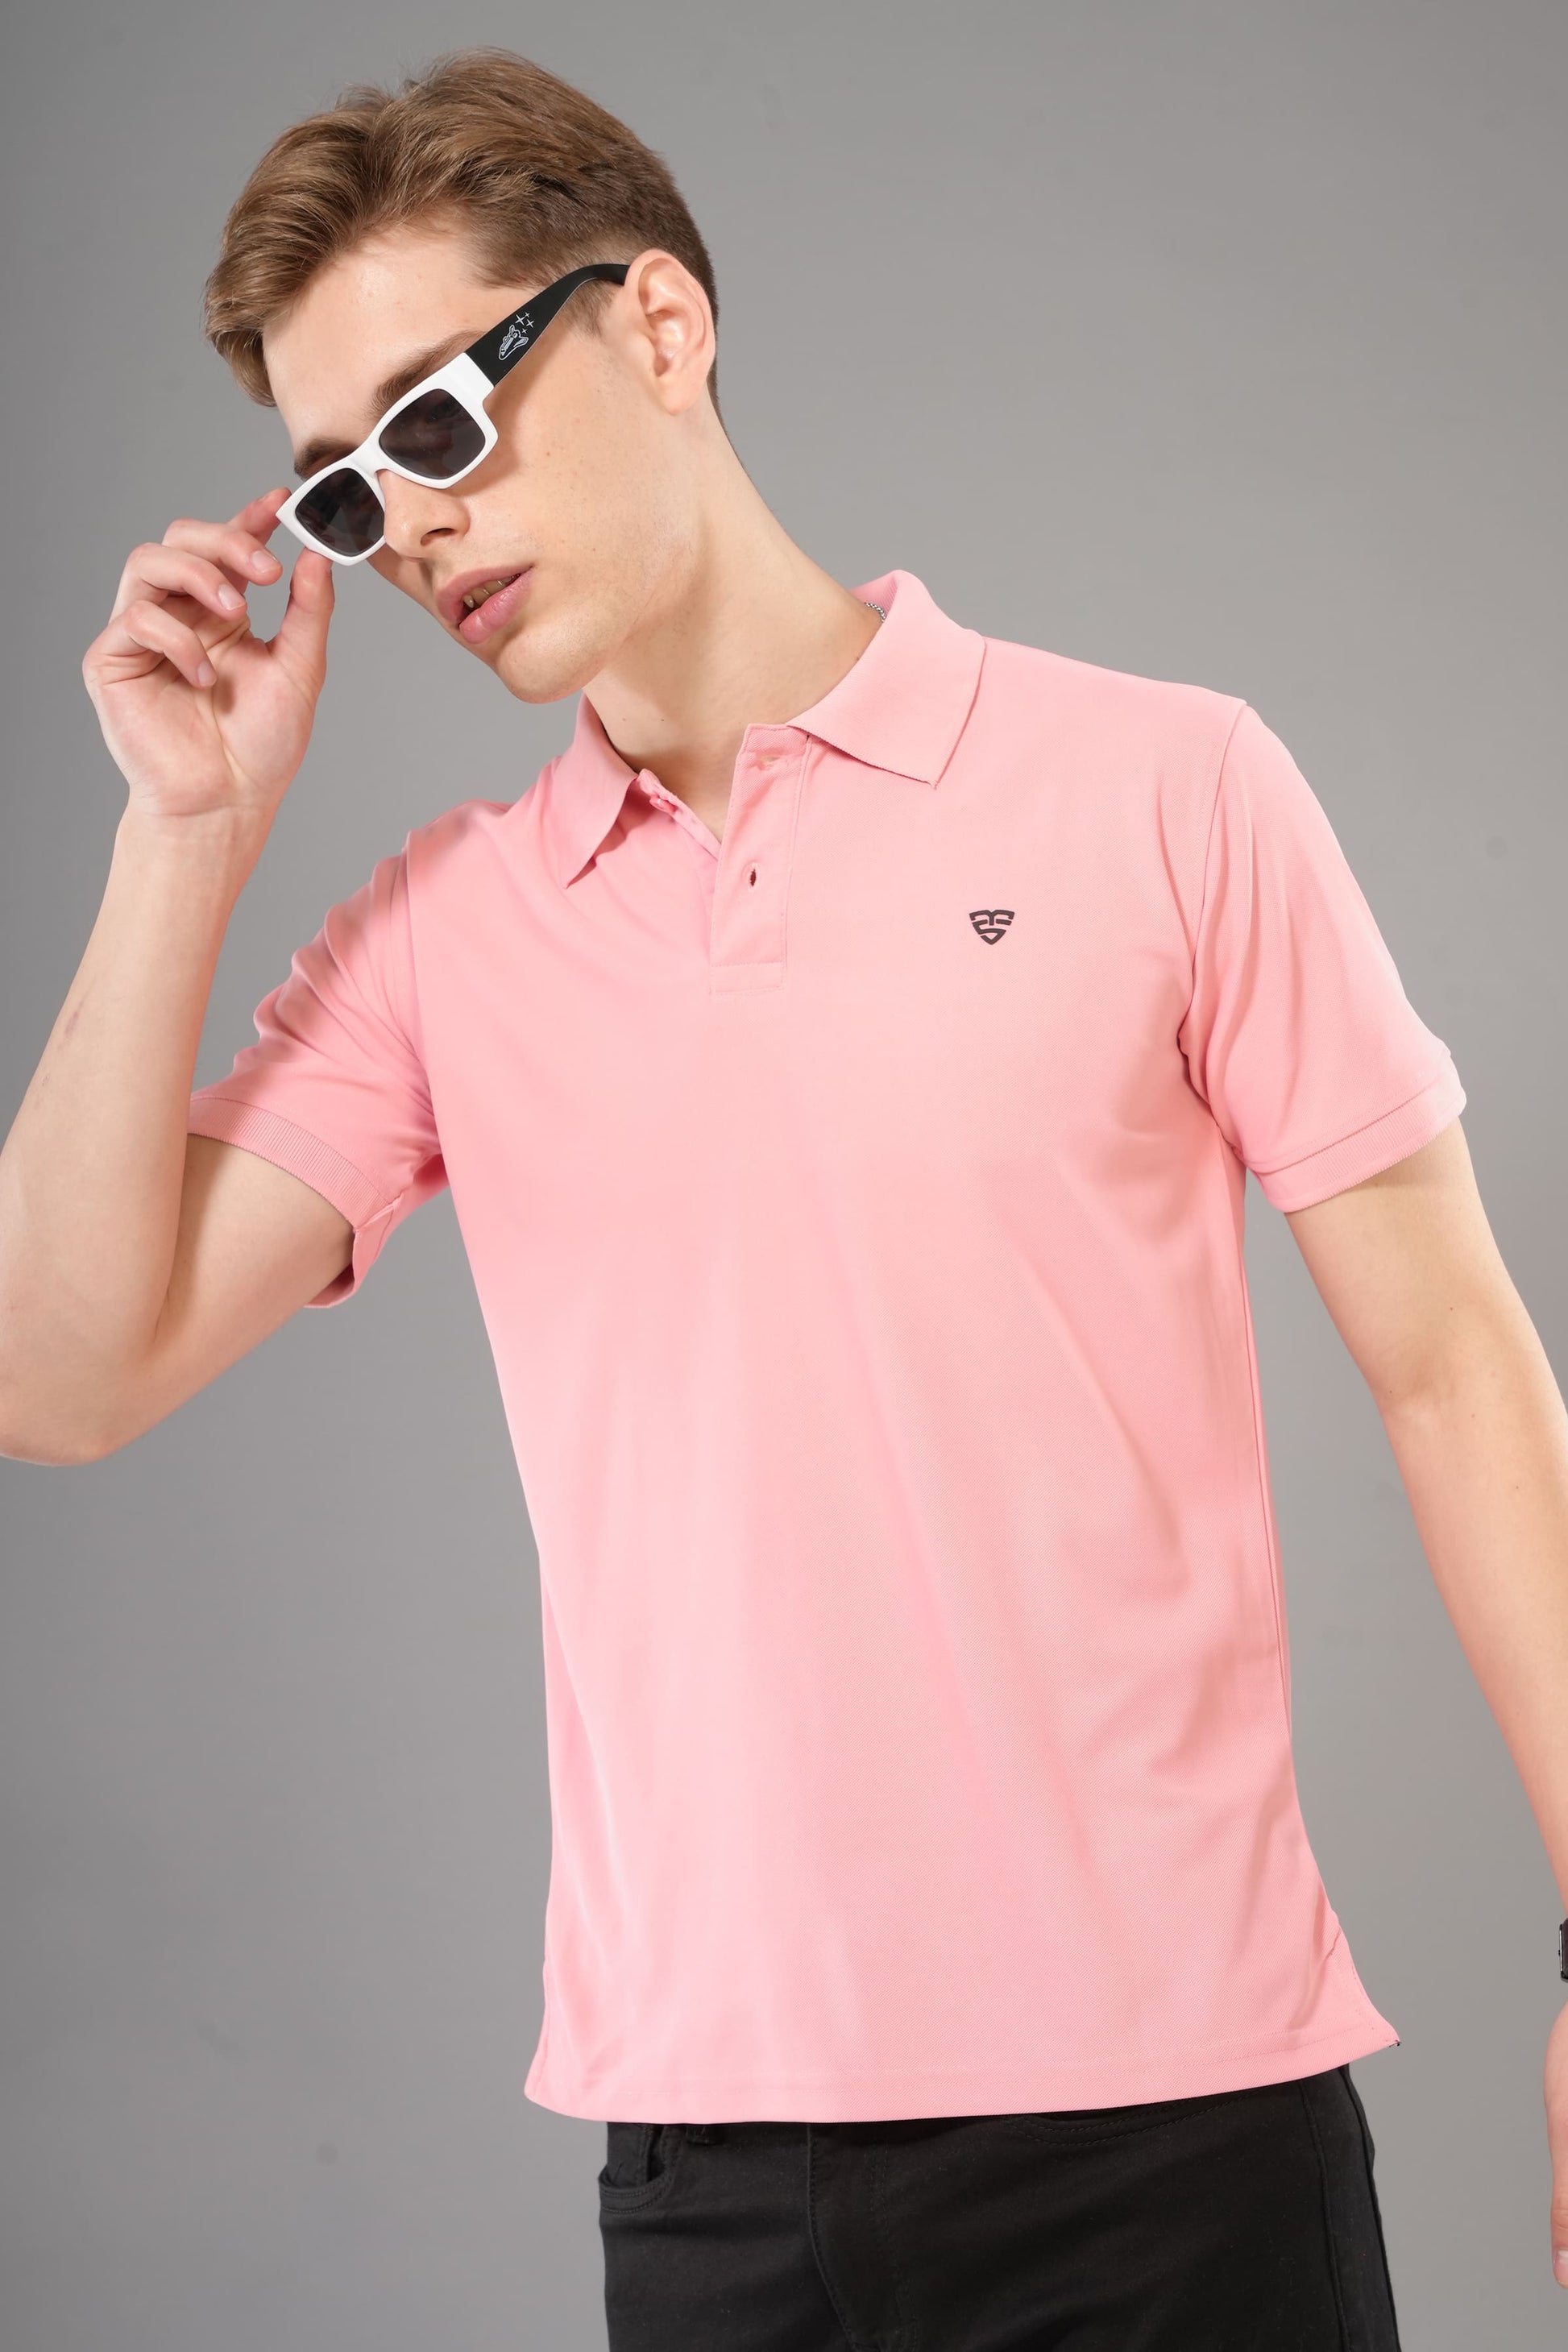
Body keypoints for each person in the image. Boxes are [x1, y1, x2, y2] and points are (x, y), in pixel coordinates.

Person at [2, 43, 1565, 2350]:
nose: (409, 524)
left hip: (1171, 2136)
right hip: (714, 2182)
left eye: (437, 422)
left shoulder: (1167, 789)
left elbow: (1454, 1372)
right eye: (346, 485)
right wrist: (183, 838)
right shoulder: (447, 936)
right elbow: (55, 1377)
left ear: (658, 324)